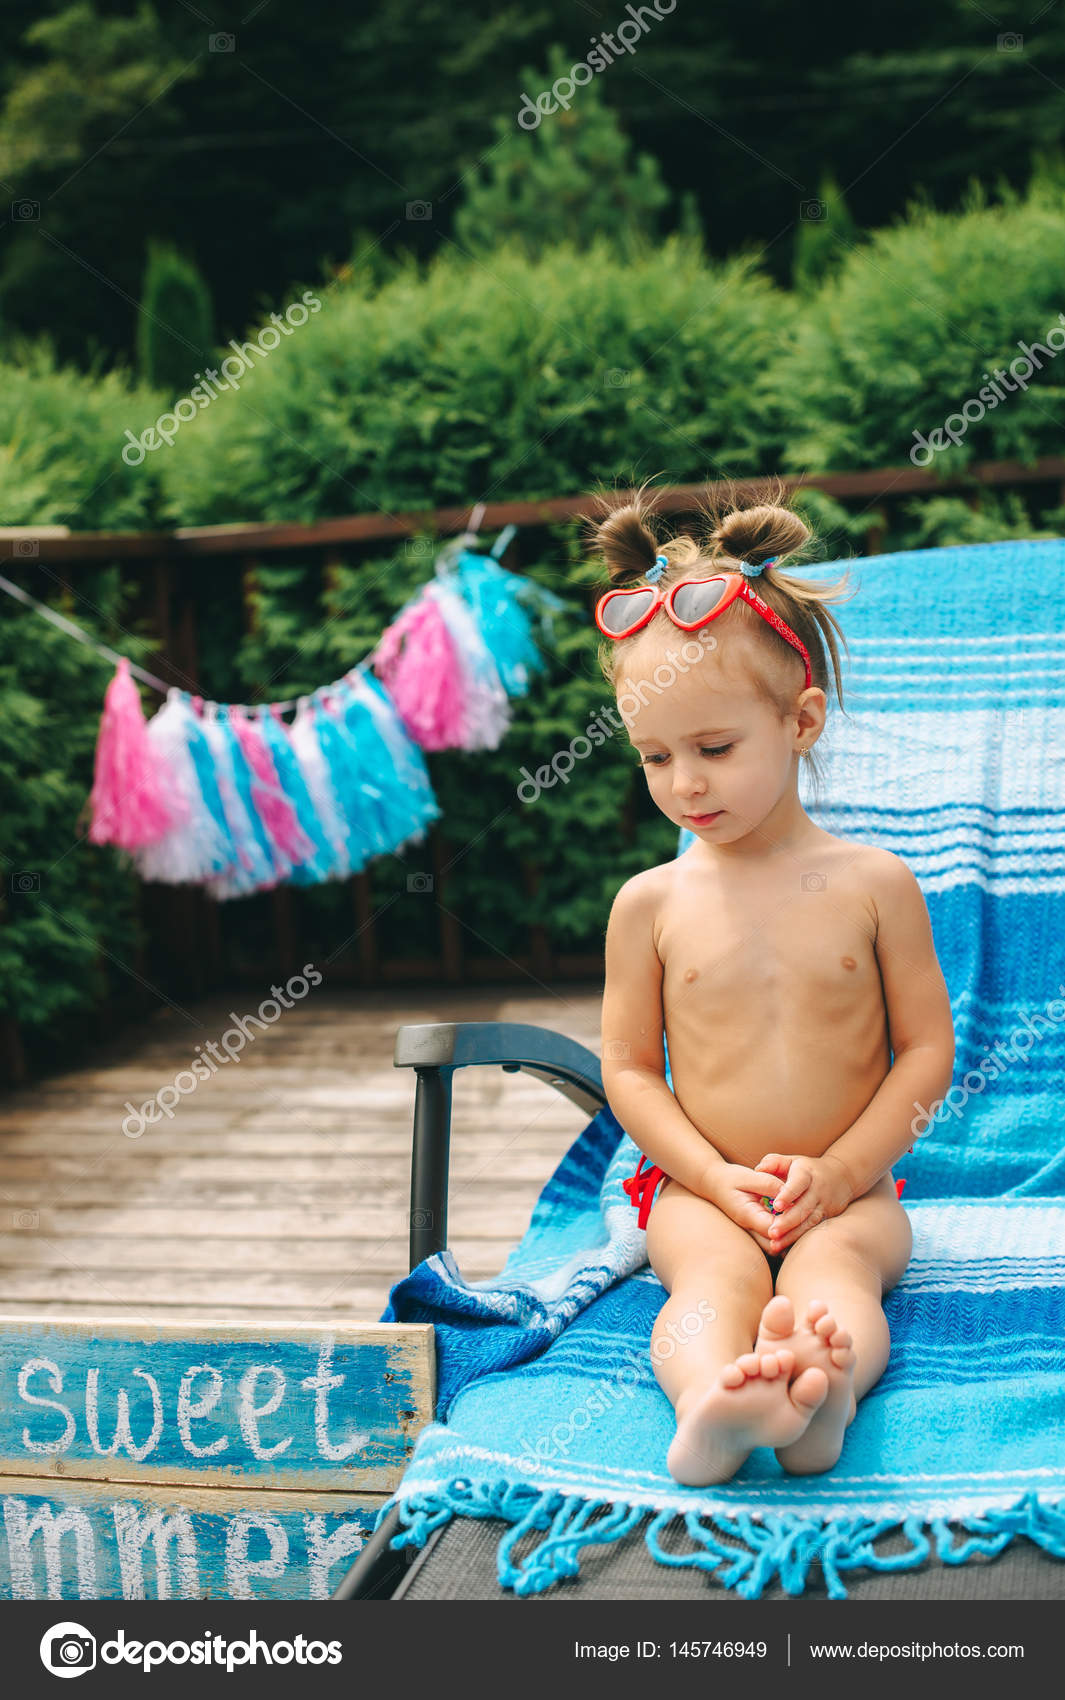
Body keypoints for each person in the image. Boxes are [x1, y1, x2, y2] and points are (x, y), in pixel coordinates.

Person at [593, 482, 956, 1486]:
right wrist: (710, 1177)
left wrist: (839, 1173)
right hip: (702, 1187)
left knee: (839, 1275)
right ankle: (712, 1400)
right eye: (655, 756)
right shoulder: (650, 903)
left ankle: (821, 1391)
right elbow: (628, 1069)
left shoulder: (873, 883)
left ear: (800, 720)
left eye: (714, 748)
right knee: (709, 1282)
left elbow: (929, 1051)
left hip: (851, 1187)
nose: (685, 785)